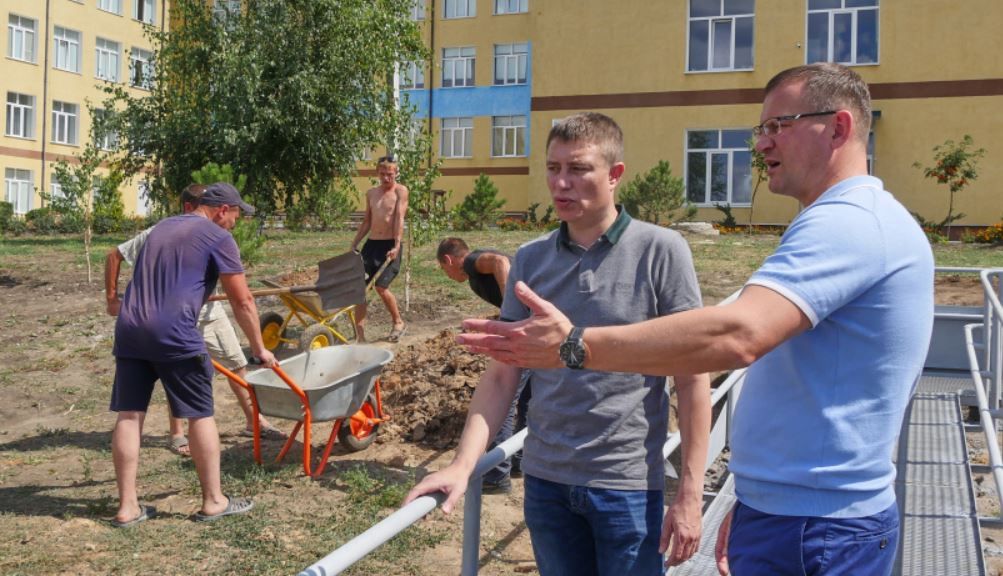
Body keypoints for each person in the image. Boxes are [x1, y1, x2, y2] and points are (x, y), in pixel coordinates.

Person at [457, 64, 934, 576]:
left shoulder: (850, 223)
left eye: (778, 126)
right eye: (761, 129)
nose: (762, 144)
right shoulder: (832, 220)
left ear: (837, 127)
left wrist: (573, 344)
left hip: (814, 526)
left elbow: (737, 335)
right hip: (790, 511)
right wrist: (753, 499)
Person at [407, 112, 712, 573]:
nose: (561, 183)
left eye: (578, 169)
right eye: (553, 169)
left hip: (626, 484)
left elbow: (692, 377)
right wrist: (461, 465)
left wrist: (690, 494)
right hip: (546, 482)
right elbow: (502, 375)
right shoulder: (531, 259)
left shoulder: (661, 251)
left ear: (615, 175)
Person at [109, 182, 277, 527]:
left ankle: (128, 508)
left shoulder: (164, 226)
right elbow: (243, 300)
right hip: (174, 334)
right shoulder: (219, 238)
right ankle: (214, 501)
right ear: (220, 211)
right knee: (200, 413)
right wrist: (259, 349)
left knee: (129, 414)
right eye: (235, 215)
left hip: (130, 328)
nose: (236, 223)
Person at [436, 237, 529, 493]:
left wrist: (510, 313)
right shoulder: (477, 264)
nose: (448, 275)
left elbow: (500, 262)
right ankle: (520, 462)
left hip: (522, 328)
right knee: (527, 397)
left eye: (444, 270)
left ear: (448, 260)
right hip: (532, 329)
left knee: (507, 400)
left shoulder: (474, 261)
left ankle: (495, 475)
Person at [349, 154, 409, 343]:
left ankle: (398, 322)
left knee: (381, 286)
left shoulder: (400, 191)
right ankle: (360, 335)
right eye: (382, 174)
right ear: (377, 173)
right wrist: (355, 243)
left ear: (396, 173)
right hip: (371, 245)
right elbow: (367, 221)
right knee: (360, 288)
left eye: (389, 174)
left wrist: (397, 245)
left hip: (390, 244)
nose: (386, 178)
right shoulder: (371, 194)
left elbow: (399, 218)